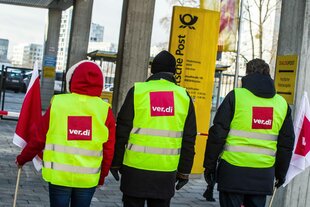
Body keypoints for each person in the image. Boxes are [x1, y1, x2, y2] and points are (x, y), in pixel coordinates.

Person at [16, 60, 116, 207]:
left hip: (59, 176)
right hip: (87, 179)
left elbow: (39, 137)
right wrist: (102, 176)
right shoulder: (104, 109)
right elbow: (108, 149)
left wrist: (23, 158)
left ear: (73, 79)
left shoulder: (58, 103)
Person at [203, 58, 295, 207]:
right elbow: (286, 143)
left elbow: (217, 134)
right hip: (263, 175)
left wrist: (209, 165)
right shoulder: (281, 104)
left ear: (247, 74)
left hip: (232, 171)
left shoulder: (235, 96)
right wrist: (280, 173)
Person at [110, 50, 197, 207]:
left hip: (134, 169)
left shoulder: (138, 91)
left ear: (152, 70)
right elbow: (189, 138)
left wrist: (115, 162)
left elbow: (122, 130)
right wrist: (184, 171)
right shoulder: (183, 96)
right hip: (165, 171)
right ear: (174, 72)